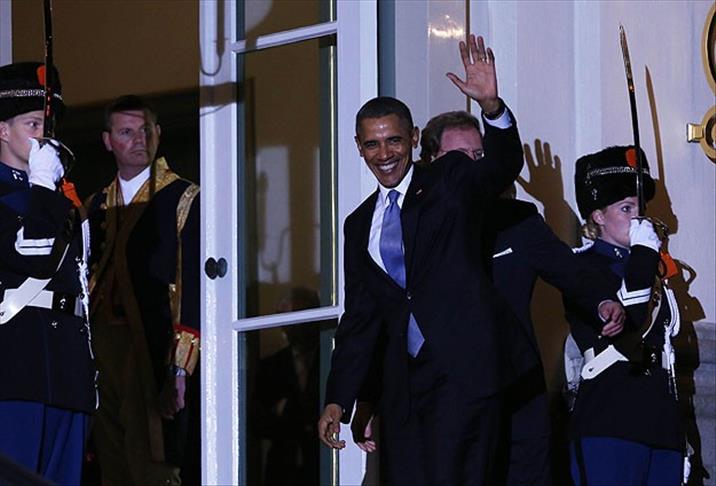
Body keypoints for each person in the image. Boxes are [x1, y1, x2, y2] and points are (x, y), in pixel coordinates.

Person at [351, 110, 625, 485]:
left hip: (516, 397)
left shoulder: (518, 220)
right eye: (459, 158)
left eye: (478, 156)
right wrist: (365, 396)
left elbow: (568, 269)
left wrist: (602, 300)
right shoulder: (398, 229)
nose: (473, 167)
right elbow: (381, 319)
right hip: (439, 402)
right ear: (430, 161)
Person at [318, 34, 541, 485]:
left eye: (394, 141)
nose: (385, 154)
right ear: (358, 147)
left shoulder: (449, 180)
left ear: (414, 138)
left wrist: (492, 108)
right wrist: (339, 397)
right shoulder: (359, 224)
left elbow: (500, 167)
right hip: (404, 388)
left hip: (466, 373)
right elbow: (360, 318)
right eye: (372, 145)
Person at [85, 95, 200, 485]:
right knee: (110, 458)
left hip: (151, 346)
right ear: (108, 141)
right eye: (126, 132)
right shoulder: (94, 205)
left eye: (145, 130)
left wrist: (180, 366)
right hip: (101, 346)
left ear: (159, 133)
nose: (138, 140)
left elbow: (192, 286)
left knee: (152, 458)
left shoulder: (183, 197)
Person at [0, 62, 96, 484]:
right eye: (32, 124)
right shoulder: (32, 193)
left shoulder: (60, 198)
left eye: (48, 126)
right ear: (3, 131)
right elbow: (32, 254)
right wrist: (41, 186)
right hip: (16, 371)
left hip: (67, 372)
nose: (45, 137)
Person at [566, 146, 685, 485]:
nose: (638, 219)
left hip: (661, 426)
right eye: (626, 208)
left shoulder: (651, 270)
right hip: (610, 420)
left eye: (640, 209)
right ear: (598, 216)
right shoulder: (582, 267)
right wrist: (645, 254)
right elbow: (626, 320)